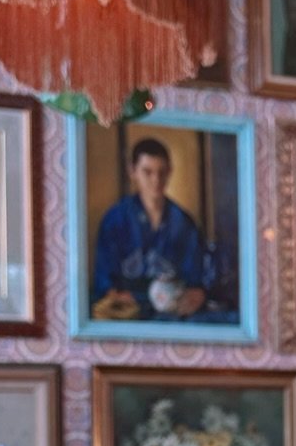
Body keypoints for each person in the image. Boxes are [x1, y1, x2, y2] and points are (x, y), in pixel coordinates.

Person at [90, 134, 218, 321]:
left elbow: (197, 277)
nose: (156, 180)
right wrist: (113, 294)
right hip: (128, 309)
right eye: (147, 172)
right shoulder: (115, 220)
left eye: (162, 172)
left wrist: (196, 293)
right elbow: (104, 277)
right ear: (132, 172)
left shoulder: (183, 223)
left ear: (170, 172)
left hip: (173, 310)